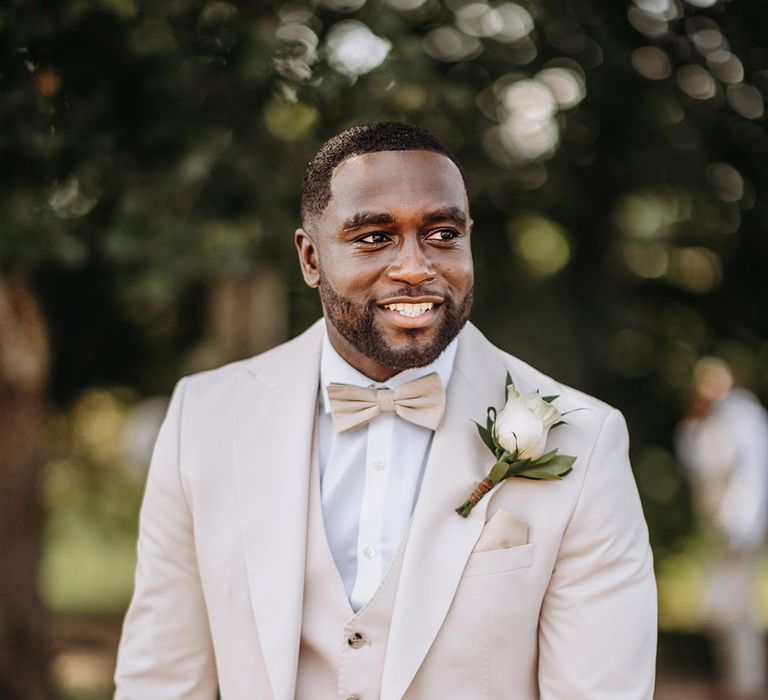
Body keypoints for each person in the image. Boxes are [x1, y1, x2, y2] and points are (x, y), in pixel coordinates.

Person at [114, 121, 657, 699]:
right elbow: (161, 682)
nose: (415, 267)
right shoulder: (204, 419)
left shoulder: (583, 440)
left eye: (443, 233)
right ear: (310, 257)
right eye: (374, 237)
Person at [676, 357, 768, 700]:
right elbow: (692, 460)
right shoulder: (705, 421)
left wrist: (742, 530)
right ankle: (733, 679)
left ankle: (746, 685)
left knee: (736, 608)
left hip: (738, 527)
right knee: (721, 608)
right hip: (714, 528)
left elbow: (755, 476)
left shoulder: (744, 416)